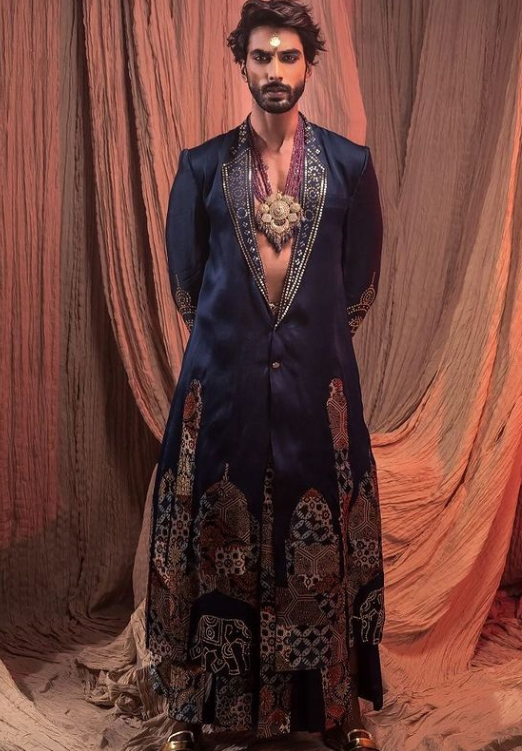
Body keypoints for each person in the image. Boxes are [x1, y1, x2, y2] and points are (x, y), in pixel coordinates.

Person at [145, 1, 385, 749]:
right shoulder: (201, 167)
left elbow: (358, 282)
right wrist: (239, 347)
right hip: (221, 388)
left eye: (288, 56)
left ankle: (334, 710)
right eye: (261, 57)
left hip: (318, 389)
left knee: (321, 543)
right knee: (211, 539)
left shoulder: (349, 166)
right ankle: (193, 711)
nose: (275, 70)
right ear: (241, 64)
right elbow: (187, 283)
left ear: (309, 64)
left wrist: (306, 349)